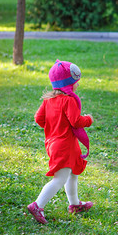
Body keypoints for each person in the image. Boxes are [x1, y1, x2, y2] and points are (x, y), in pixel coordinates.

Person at [28, 59, 94, 224]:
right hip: (64, 145)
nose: (77, 85)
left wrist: (53, 126)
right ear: (69, 84)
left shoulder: (48, 100)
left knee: (72, 174)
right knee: (60, 179)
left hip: (54, 143)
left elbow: (38, 118)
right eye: (75, 83)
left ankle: (74, 204)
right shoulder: (69, 100)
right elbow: (76, 121)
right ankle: (38, 205)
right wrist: (88, 119)